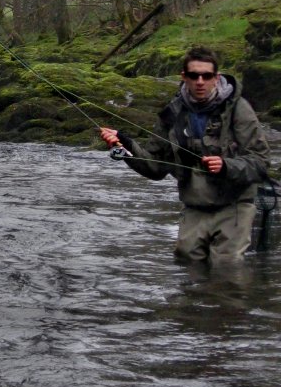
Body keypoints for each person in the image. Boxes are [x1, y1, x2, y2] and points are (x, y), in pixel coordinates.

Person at [100, 46, 271, 264]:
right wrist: (123, 145)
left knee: (226, 268)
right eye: (193, 75)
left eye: (206, 76)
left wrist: (226, 166)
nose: (200, 81)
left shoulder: (239, 109)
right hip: (194, 207)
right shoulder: (172, 112)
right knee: (187, 266)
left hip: (235, 206)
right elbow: (155, 167)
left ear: (216, 77)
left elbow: (262, 162)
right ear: (184, 77)